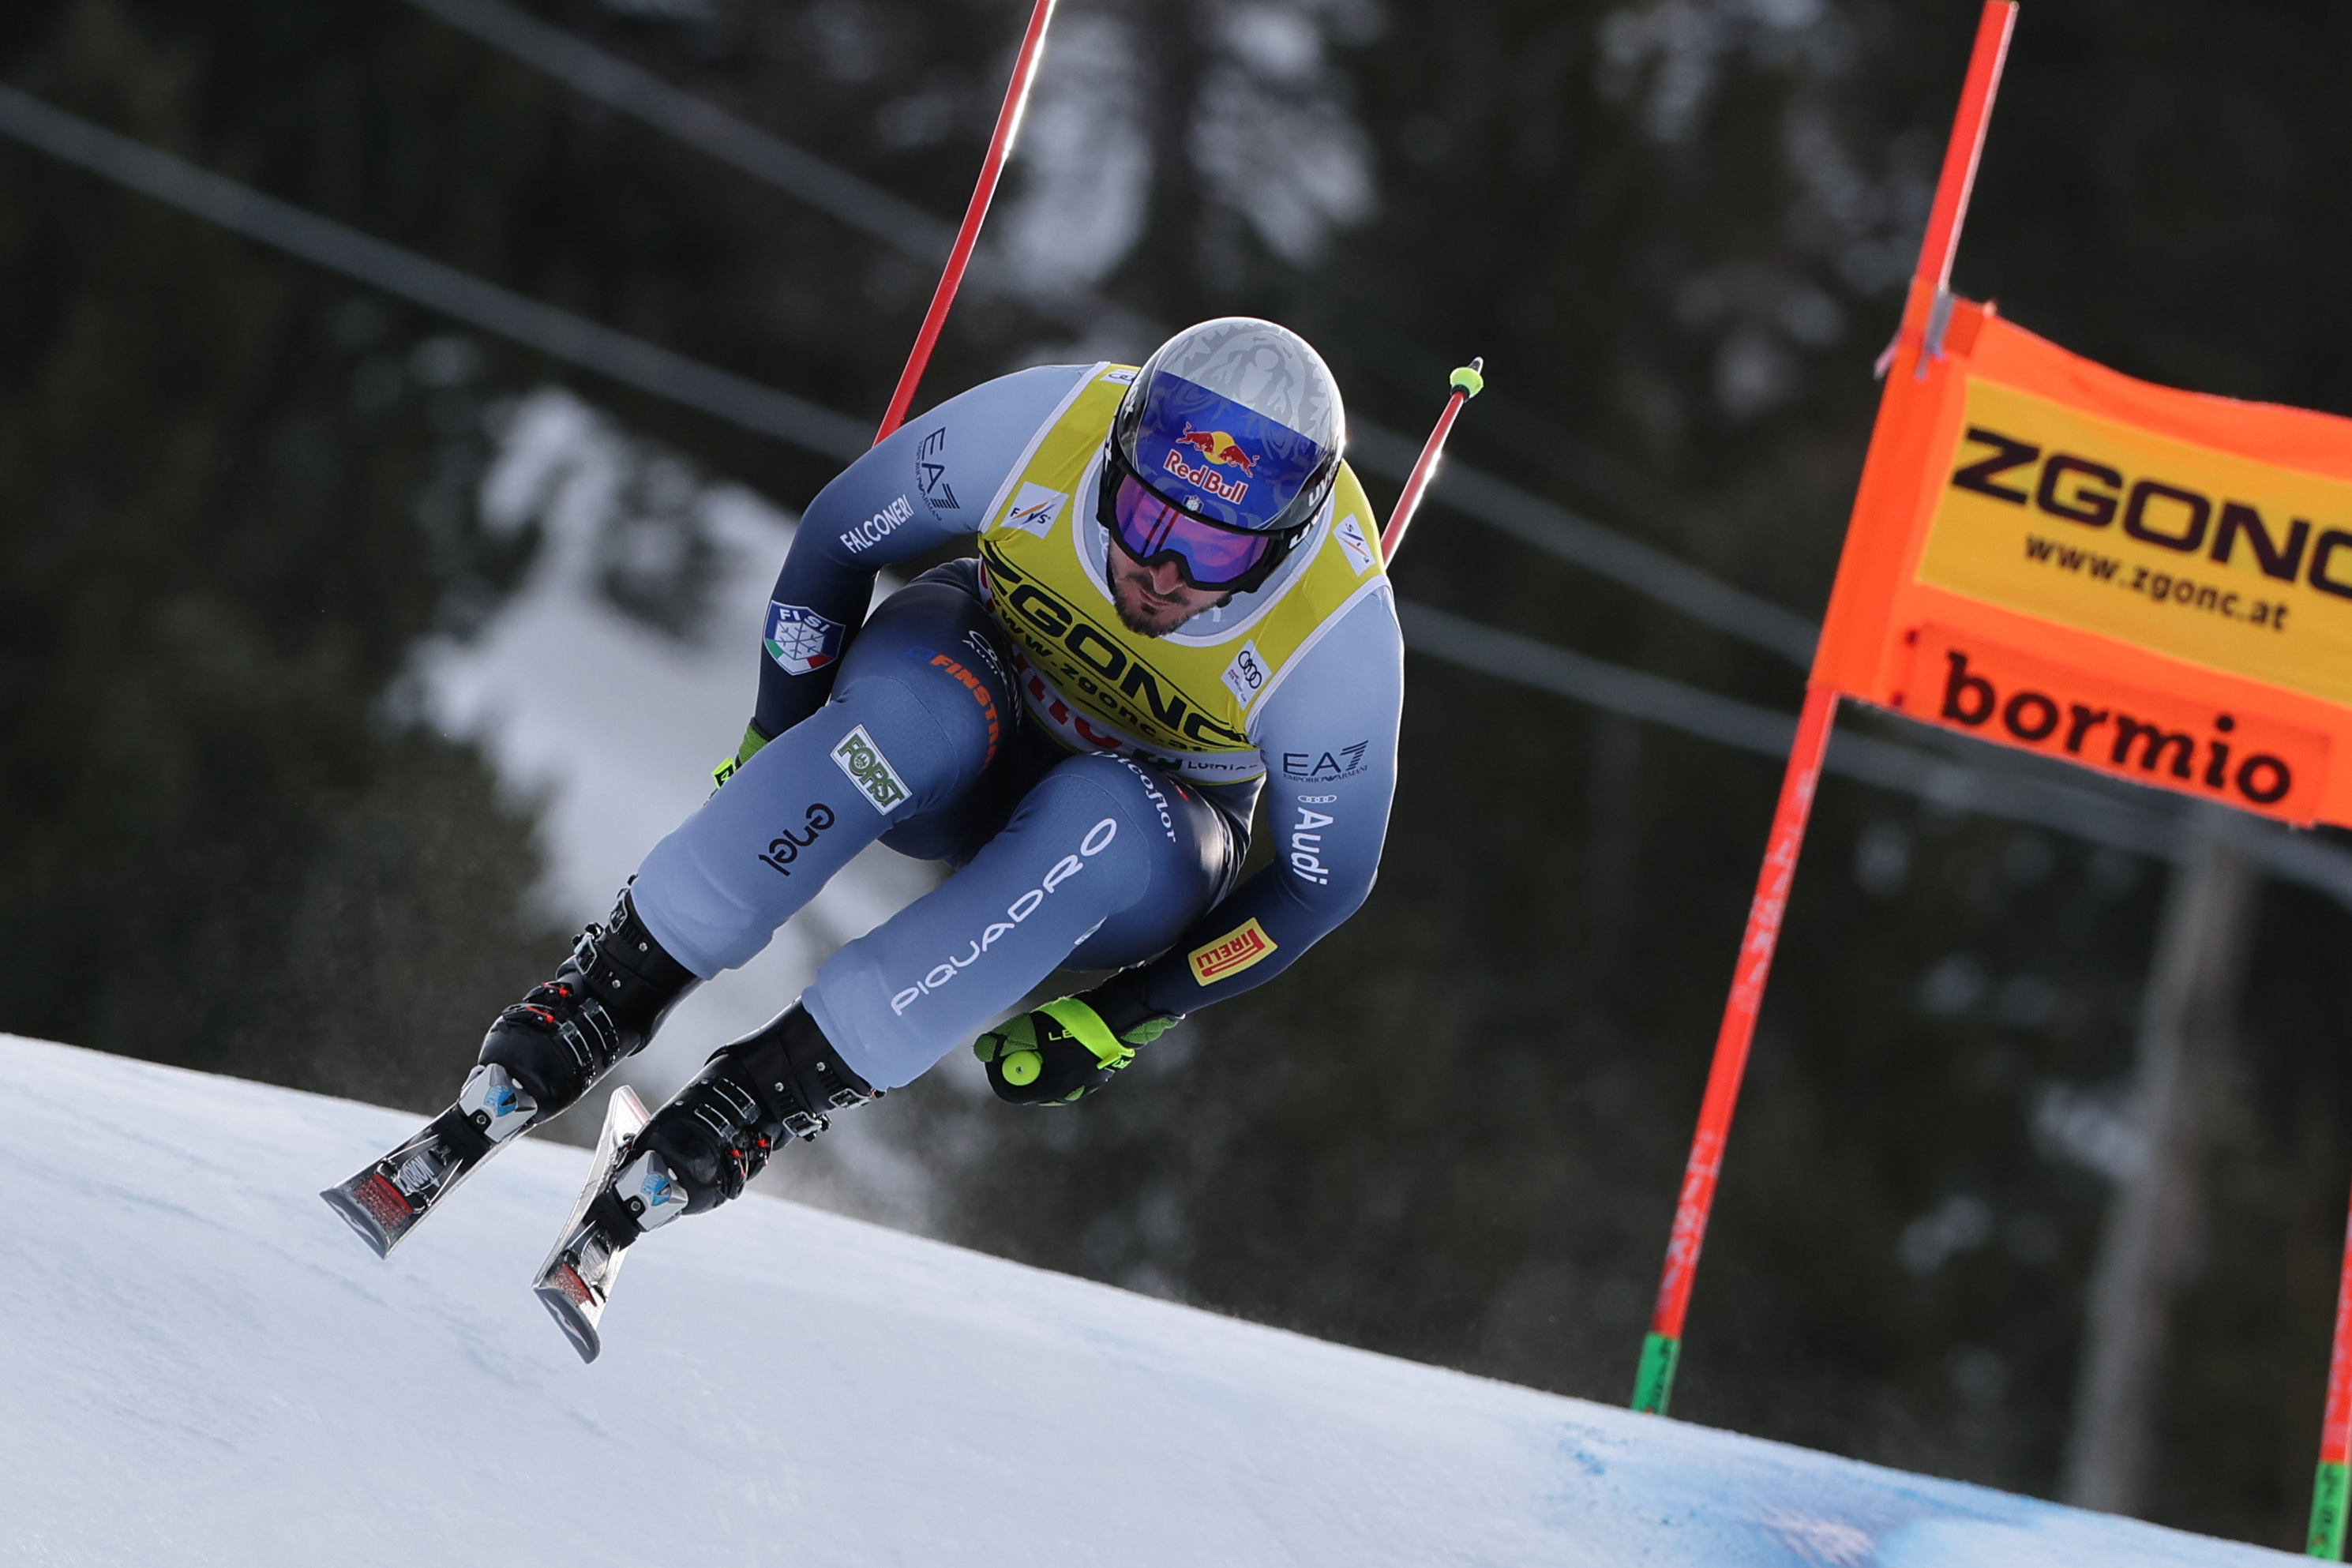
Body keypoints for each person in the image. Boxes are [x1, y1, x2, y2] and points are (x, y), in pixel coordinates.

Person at [363, 316, 1402, 1250]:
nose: (1160, 569)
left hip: (1148, 824)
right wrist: (777, 736)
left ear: (1284, 545)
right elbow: (835, 535)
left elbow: (1325, 884)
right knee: (907, 723)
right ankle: (596, 996)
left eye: (1213, 546)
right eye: (1141, 513)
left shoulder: (1334, 646)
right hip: (973, 695)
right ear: (1115, 459)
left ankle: (759, 1100)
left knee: (1098, 823)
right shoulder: (1048, 431)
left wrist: (1128, 1012)